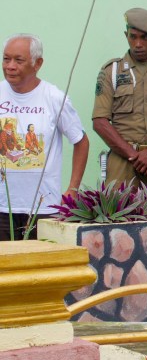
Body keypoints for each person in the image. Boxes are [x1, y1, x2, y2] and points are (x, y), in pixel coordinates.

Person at [1, 33, 89, 240]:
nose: (10, 66)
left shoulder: (54, 97)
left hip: (43, 206)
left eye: (18, 60)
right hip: (3, 207)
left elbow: (81, 141)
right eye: (6, 59)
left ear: (37, 63)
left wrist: (73, 189)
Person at [92, 8, 147, 186]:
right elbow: (100, 121)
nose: (138, 43)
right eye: (133, 36)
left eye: (145, 37)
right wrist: (134, 155)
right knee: (119, 211)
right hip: (123, 160)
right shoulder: (111, 72)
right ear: (126, 35)